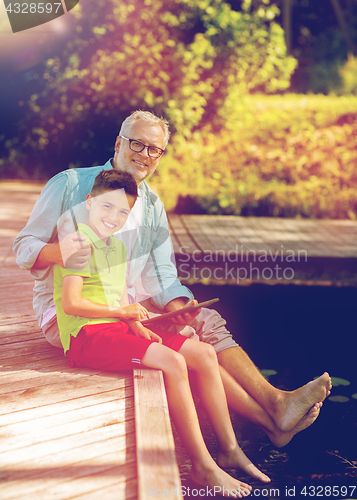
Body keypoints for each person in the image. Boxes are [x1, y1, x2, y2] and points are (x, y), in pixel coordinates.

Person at [14, 110, 331, 449]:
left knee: (202, 319)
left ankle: (275, 409)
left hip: (123, 310)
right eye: (137, 144)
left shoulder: (152, 206)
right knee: (191, 342)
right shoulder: (72, 184)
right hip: (71, 314)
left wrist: (179, 306)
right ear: (119, 143)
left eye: (155, 150)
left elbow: (162, 274)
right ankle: (271, 418)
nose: (144, 155)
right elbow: (23, 247)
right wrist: (62, 251)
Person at [54, 168, 271, 496]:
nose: (113, 217)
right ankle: (202, 467)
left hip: (115, 328)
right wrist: (121, 313)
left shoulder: (116, 245)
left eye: (123, 211)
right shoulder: (79, 243)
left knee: (204, 352)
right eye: (106, 207)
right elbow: (71, 303)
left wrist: (135, 323)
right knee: (173, 362)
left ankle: (229, 449)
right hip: (86, 338)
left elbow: (117, 297)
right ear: (89, 201)